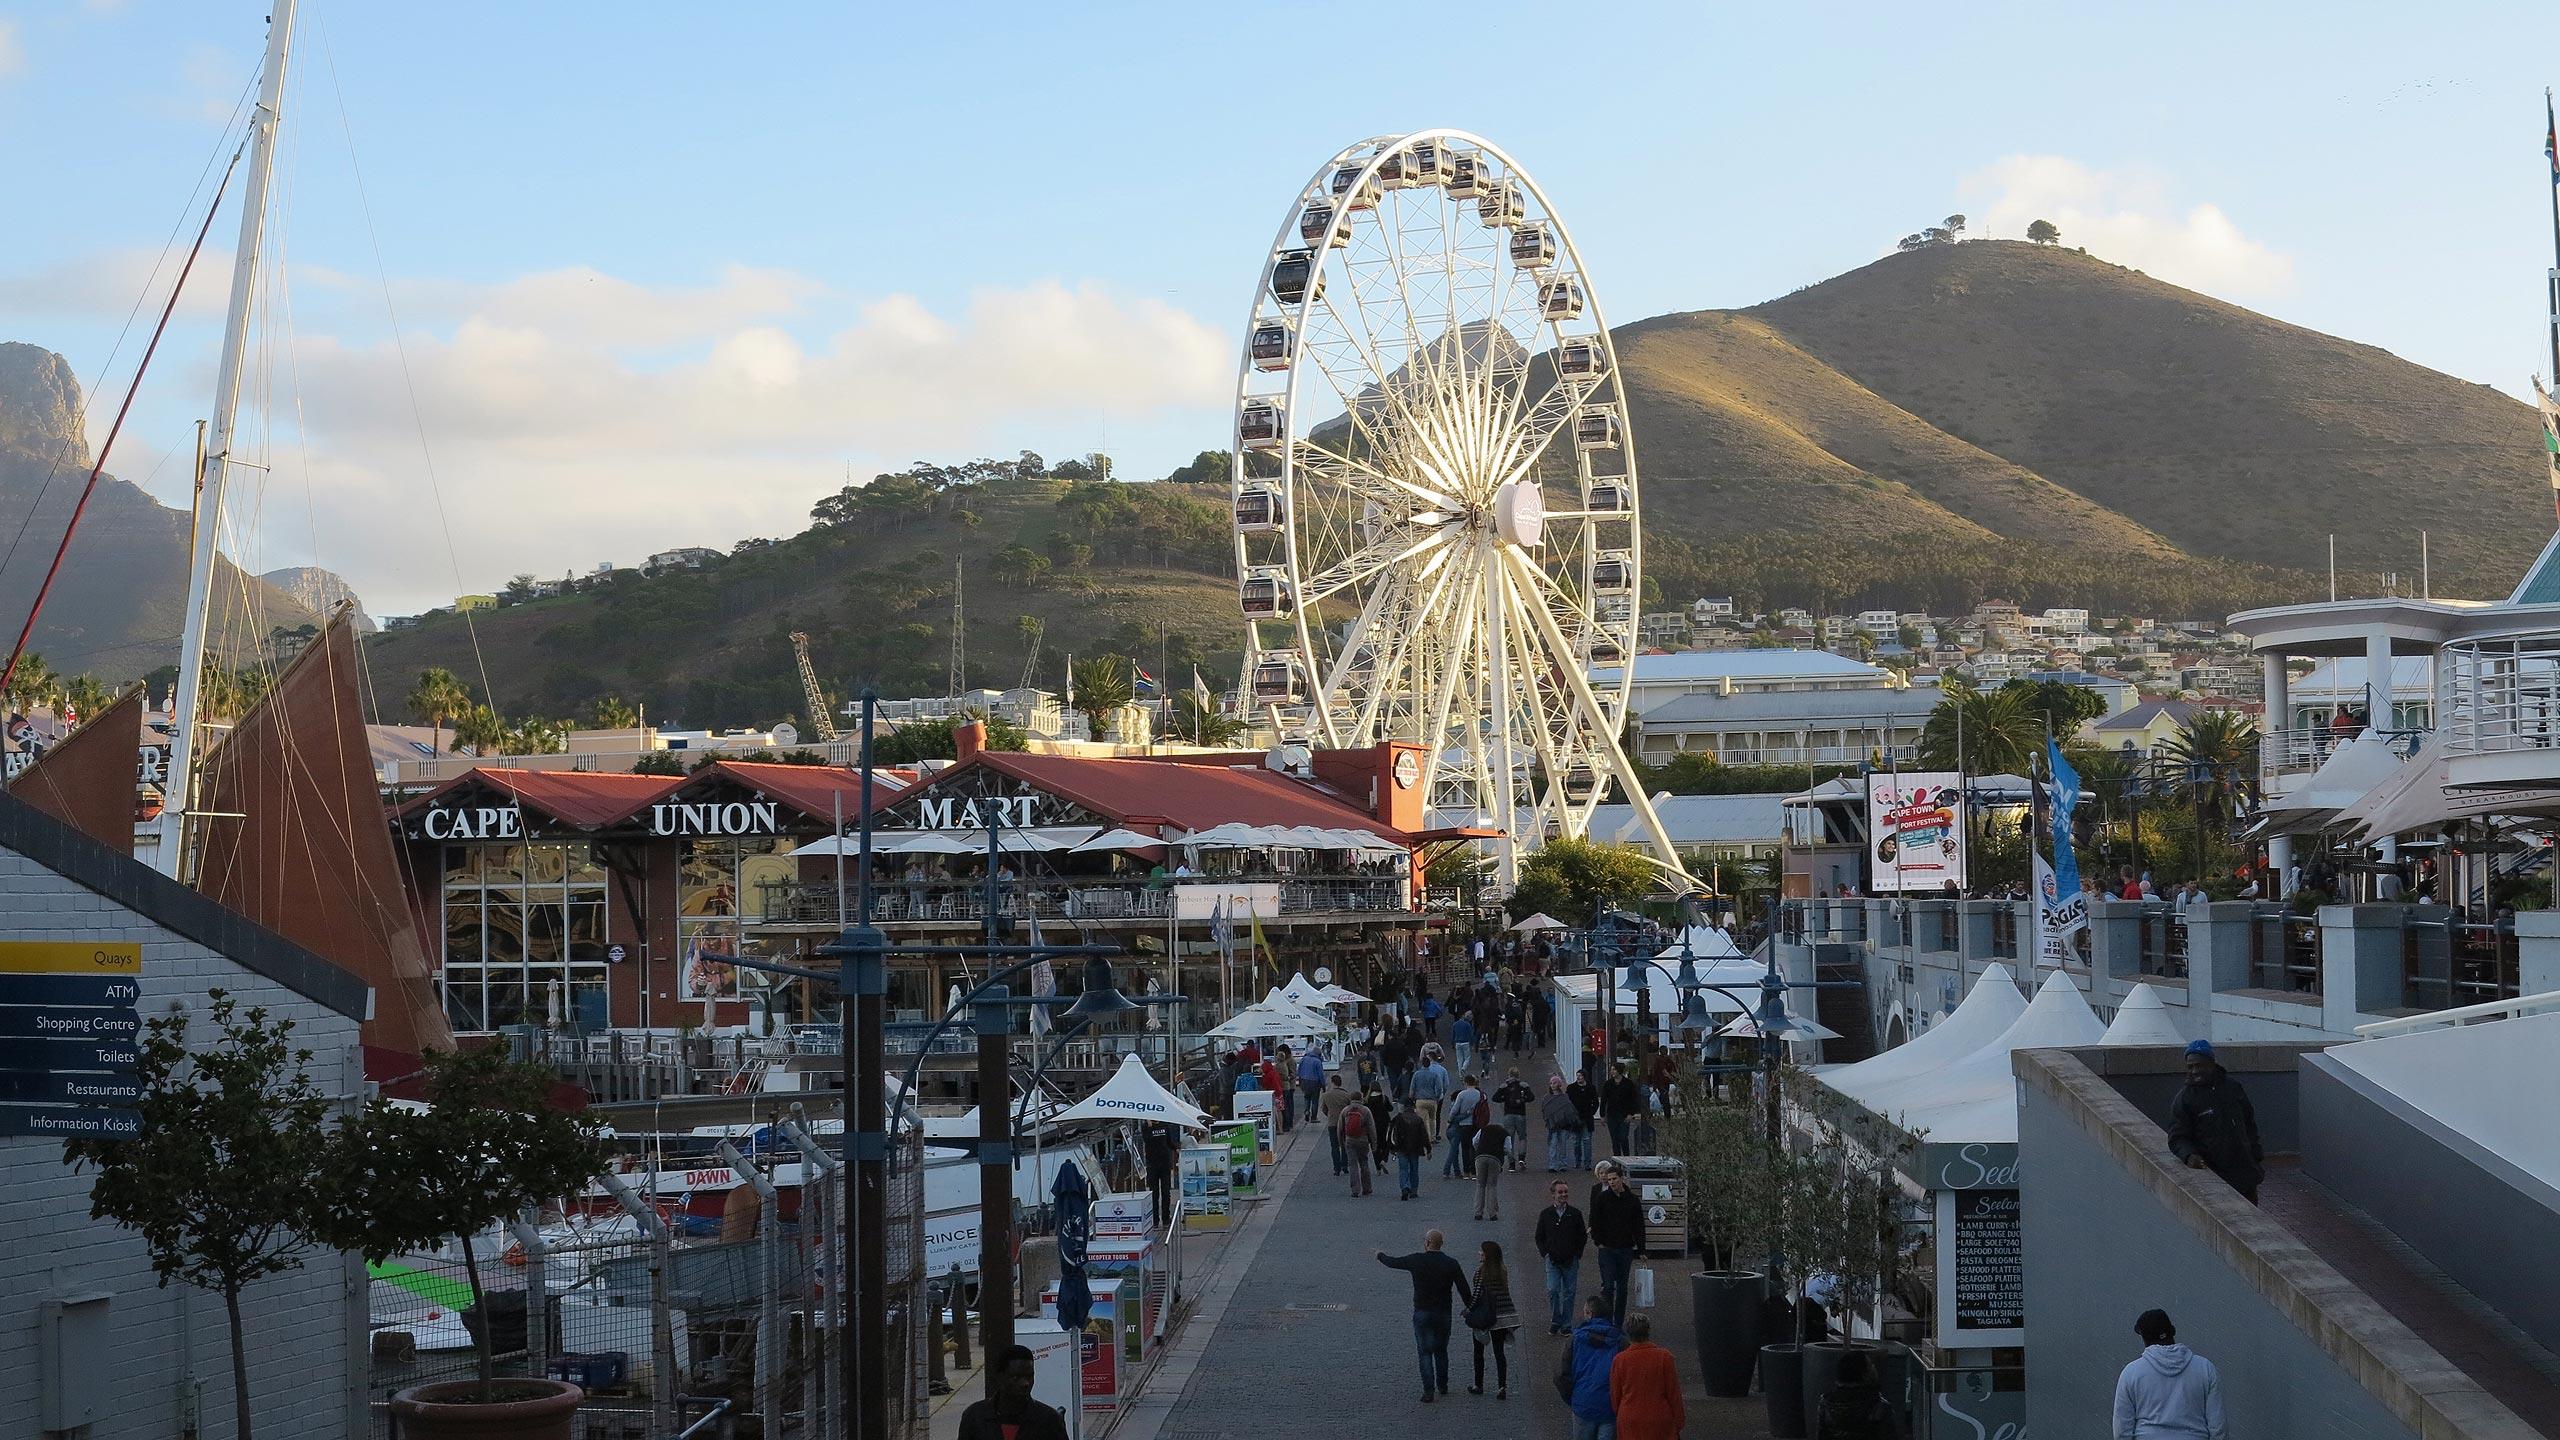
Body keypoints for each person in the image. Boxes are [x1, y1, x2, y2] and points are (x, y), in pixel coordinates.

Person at [1376, 1230, 1474, 1404]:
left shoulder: (1416, 1260)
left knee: (1425, 1352)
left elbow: (1393, 1262)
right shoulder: (1451, 1263)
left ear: (1427, 1242)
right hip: (1443, 1313)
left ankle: (1428, 1391)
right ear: (1441, 1243)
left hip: (1422, 1312)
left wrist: (1379, 1255)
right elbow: (1464, 1289)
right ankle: (1443, 1385)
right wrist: (1470, 1308)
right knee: (1441, 1351)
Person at [2167, 1039, 2263, 1203]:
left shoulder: (2233, 1088)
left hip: (2244, 1171)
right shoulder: (2185, 1099)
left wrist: (2255, 1154)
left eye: (2199, 1065)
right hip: (2214, 1174)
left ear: (2211, 1063)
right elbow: (2177, 1137)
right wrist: (2189, 1156)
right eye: (2190, 1067)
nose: (2195, 1071)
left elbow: (2249, 1123)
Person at [2112, 1308, 2227, 1440]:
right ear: (2173, 1331)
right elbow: (2218, 1428)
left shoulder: (2131, 1373)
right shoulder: (2205, 1368)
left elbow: (2122, 1431)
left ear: (2144, 1338)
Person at [956, 1343, 1070, 1440]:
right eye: (1016, 1377)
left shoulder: (1049, 1420)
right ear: (1000, 1377)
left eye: (1029, 1376)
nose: (1025, 1383)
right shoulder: (975, 1417)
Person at [1608, 1313, 1684, 1440]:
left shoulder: (1620, 1360)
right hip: (1659, 1416)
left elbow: (1615, 1395)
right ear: (1648, 1331)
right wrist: (1679, 1420)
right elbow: (1673, 1393)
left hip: (1629, 1417)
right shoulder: (1664, 1357)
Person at [1465, 1238, 1523, 1397]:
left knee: (1478, 1350)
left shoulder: (1480, 1272)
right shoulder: (1502, 1270)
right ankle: (1502, 1386)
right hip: (1502, 1316)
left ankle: (1479, 1385)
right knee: (1499, 1352)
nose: (1479, 1253)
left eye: (1481, 1251)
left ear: (1487, 1255)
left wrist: (1467, 1310)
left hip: (1485, 1315)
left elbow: (1477, 1294)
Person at [1561, 1296, 1624, 1440]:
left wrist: (1572, 1398)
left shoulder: (1575, 1339)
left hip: (1583, 1403)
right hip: (1610, 1406)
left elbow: (1563, 1374)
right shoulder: (1620, 1341)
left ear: (1590, 1313)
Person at [1589, 1160, 1643, 1325]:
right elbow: (1595, 1220)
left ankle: (1618, 1322)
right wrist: (1598, 1241)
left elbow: (1638, 1225)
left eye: (1614, 1179)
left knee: (1622, 1288)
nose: (1610, 1182)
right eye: (1609, 1179)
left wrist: (1642, 1249)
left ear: (1621, 1179)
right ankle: (1607, 1320)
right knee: (1608, 1286)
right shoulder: (1603, 1198)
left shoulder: (1632, 1200)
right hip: (1607, 1248)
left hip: (1625, 1248)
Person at [1533, 1178, 1589, 1334]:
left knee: (1569, 1293)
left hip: (1571, 1260)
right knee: (1553, 1290)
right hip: (1552, 1260)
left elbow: (1582, 1236)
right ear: (1553, 1194)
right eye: (1560, 1192)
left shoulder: (1575, 1214)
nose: (1564, 1194)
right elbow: (1539, 1236)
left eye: (1565, 1191)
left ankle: (1566, 1324)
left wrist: (1578, 1254)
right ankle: (1556, 1319)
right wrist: (1545, 1253)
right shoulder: (1546, 1214)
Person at [1812, 1346, 1893, 1440]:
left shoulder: (1826, 1403)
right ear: (1865, 1375)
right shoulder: (1879, 1407)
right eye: (1871, 1365)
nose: (1874, 1368)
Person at [1389, 1096, 1433, 1200]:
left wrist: (1392, 1148)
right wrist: (1428, 1149)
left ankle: (1404, 1187)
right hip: (1415, 1148)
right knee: (1414, 1169)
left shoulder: (1398, 1118)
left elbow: (1392, 1134)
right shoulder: (1418, 1119)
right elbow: (1424, 1135)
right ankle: (1414, 1190)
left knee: (1403, 1169)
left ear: (1404, 1107)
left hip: (1401, 1147)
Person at [1494, 1069, 1535, 1172]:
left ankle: (1511, 1163)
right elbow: (1531, 1098)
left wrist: (1504, 1098)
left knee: (1509, 1139)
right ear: (1518, 1075)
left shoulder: (1505, 1086)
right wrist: (1522, 1099)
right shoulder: (1523, 1085)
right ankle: (1522, 1158)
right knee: (1522, 1137)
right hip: (1521, 1114)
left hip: (1508, 1115)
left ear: (1509, 1075)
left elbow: (1495, 1098)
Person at [1445, 1075, 1485, 1177]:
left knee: (1465, 1148)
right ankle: (1474, 1171)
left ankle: (1466, 1171)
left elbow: (1455, 1109)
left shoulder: (1462, 1094)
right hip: (1476, 1123)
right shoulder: (1480, 1094)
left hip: (1464, 1124)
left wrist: (1450, 1119)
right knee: (1474, 1146)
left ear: (1466, 1083)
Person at [1539, 1075, 1581, 1172]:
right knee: (1553, 1145)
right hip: (1553, 1126)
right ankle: (1552, 1165)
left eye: (1554, 1083)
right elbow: (1545, 1111)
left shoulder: (1564, 1098)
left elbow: (1570, 1111)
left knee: (1563, 1145)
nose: (1552, 1085)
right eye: (1551, 1083)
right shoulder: (1547, 1098)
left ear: (1559, 1084)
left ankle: (1563, 1164)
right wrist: (1549, 1120)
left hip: (1564, 1126)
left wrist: (1569, 1121)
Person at [1600, 1065, 1643, 1157]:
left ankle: (1626, 1156)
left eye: (1614, 1069)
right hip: (1612, 1115)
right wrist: (1602, 1115)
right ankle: (1617, 1158)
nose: (1612, 1072)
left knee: (1623, 1137)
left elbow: (1634, 1099)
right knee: (1614, 1139)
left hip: (1624, 1114)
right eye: (1611, 1070)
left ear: (1619, 1070)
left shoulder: (1628, 1083)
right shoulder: (1608, 1084)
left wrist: (1631, 1113)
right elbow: (1604, 1100)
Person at [1472, 1115, 1509, 1220]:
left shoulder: (1484, 1129)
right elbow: (1507, 1148)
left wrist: (1479, 1150)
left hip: (1480, 1157)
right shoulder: (1505, 1133)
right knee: (1492, 1185)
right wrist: (1502, 1154)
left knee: (1480, 1185)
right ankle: (1492, 1213)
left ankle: (1478, 1213)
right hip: (1495, 1159)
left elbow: (1475, 1141)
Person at [1341, 1086, 1376, 1196]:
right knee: (1364, 1163)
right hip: (1363, 1140)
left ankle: (1355, 1190)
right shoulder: (1366, 1110)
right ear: (1361, 1098)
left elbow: (1340, 1128)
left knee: (1353, 1165)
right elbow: (1371, 1128)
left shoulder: (1345, 1110)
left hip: (1350, 1140)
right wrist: (1374, 1143)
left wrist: (1341, 1142)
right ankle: (1367, 1188)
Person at [1320, 1073, 1356, 1177]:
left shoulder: (1326, 1095)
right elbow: (1350, 1108)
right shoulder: (1346, 1095)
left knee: (1334, 1146)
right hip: (1345, 1123)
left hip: (1332, 1123)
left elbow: (1324, 1109)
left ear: (1332, 1083)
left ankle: (1337, 1168)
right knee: (1345, 1145)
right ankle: (1345, 1165)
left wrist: (1330, 1115)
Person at [1142, 1123, 1177, 1228]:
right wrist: (1149, 1126)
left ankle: (1166, 1219)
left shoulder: (1164, 1125)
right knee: (1154, 1193)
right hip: (1152, 1164)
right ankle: (1155, 1220)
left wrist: (1176, 1149)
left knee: (1166, 1192)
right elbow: (1147, 1140)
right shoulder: (1146, 1127)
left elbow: (1169, 1142)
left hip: (1165, 1163)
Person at [1567, 1070, 1600, 1169]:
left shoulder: (1591, 1088)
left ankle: (1587, 1163)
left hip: (1587, 1118)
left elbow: (1595, 1101)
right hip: (1575, 1119)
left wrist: (1592, 1112)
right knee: (1576, 1142)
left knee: (1587, 1141)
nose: (1578, 1077)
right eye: (1577, 1076)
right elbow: (1567, 1102)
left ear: (1584, 1077)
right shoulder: (1571, 1088)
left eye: (1580, 1076)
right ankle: (1577, 1161)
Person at [1297, 1044, 1326, 1129]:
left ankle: (1306, 1111)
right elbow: (1321, 1075)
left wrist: (1300, 1081)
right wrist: (1323, 1085)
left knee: (1306, 1098)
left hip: (1304, 1081)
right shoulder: (1317, 1061)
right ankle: (1313, 1117)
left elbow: (1298, 1070)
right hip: (1314, 1082)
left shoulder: (1304, 1059)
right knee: (1315, 1100)